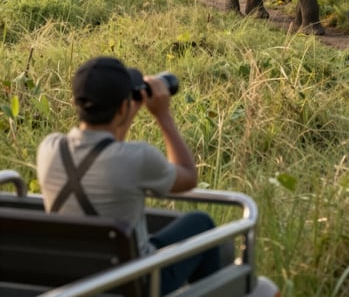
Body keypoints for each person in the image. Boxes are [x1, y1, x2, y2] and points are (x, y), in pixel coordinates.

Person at [36, 56, 220, 294]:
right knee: (200, 223)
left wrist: (122, 118)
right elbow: (188, 177)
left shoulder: (49, 149)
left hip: (72, 282)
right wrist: (162, 115)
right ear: (124, 106)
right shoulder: (139, 158)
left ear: (76, 102)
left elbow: (106, 153)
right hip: (134, 283)